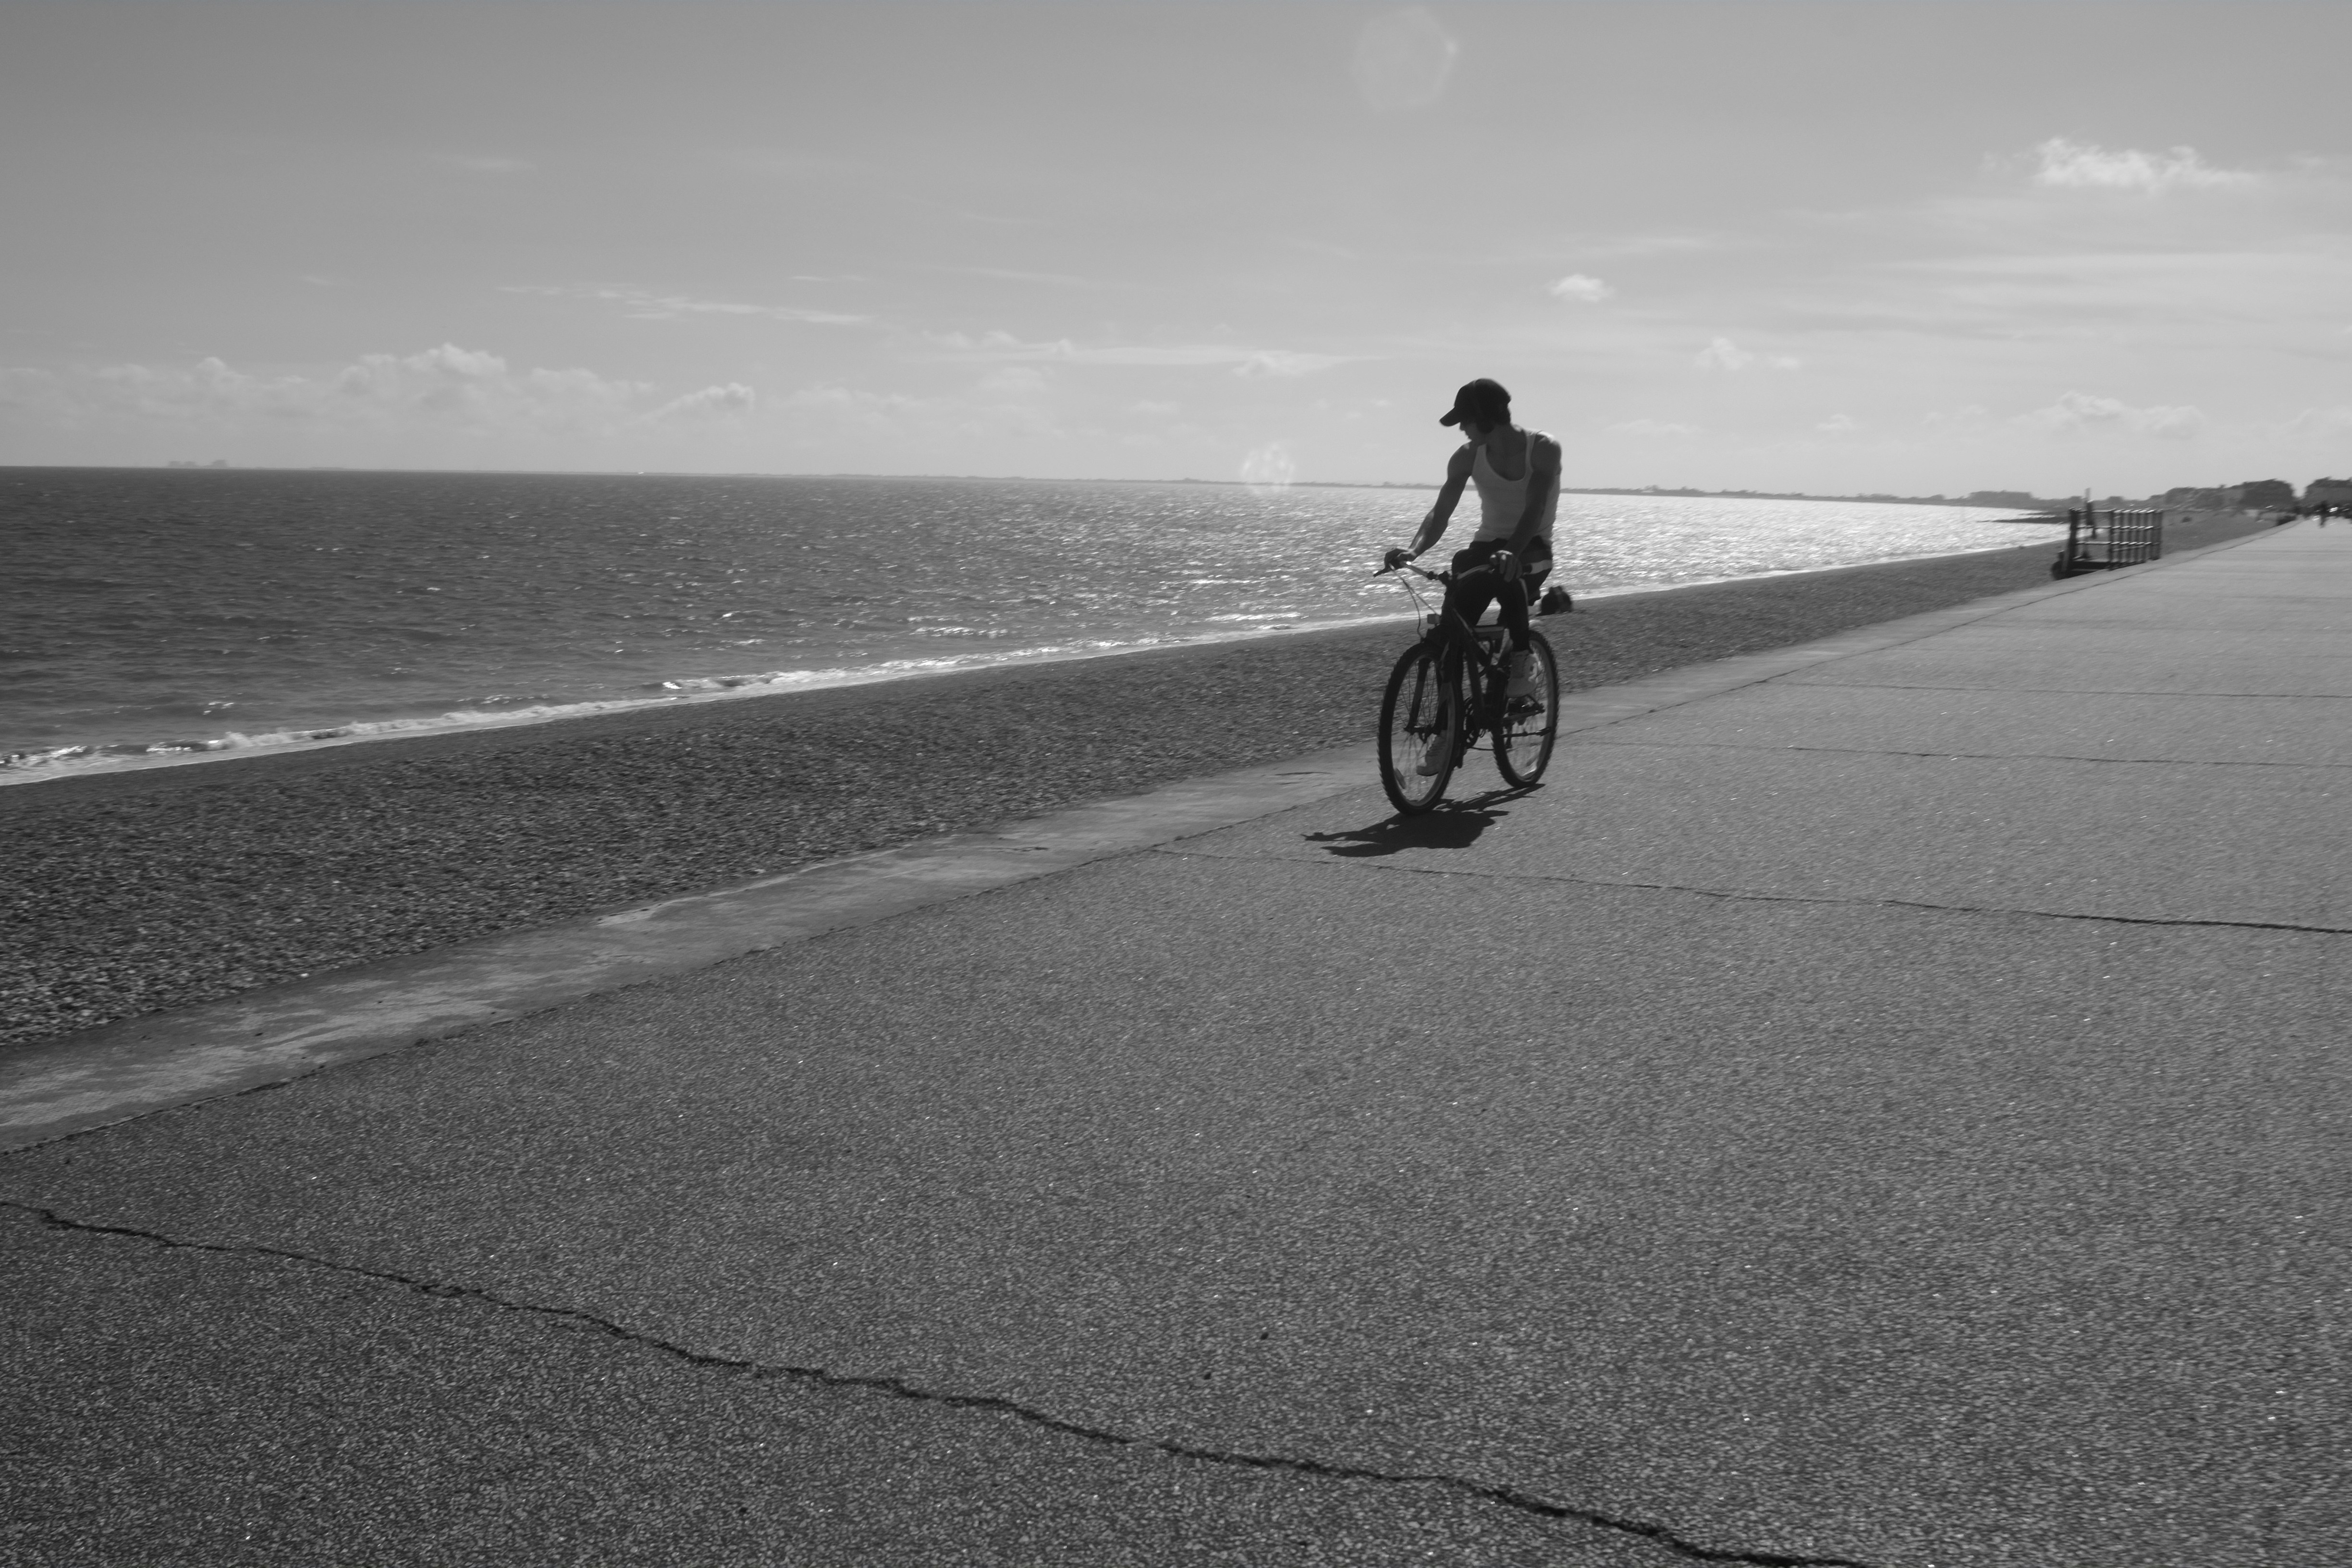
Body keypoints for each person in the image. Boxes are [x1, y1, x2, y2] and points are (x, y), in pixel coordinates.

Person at [1383, 377, 1561, 704]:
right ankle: (1447, 728)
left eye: (1464, 421)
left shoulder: (1543, 448)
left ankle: (1522, 655)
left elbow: (1534, 511)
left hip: (1532, 547)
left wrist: (1511, 551)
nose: (1462, 429)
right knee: (1452, 629)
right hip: (1488, 547)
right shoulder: (1466, 457)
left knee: (1505, 568)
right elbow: (1440, 514)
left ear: (1484, 419)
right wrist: (1414, 549)